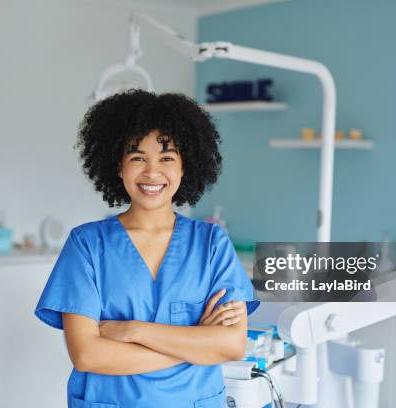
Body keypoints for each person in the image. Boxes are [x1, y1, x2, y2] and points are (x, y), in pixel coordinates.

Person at [34, 89, 260, 408]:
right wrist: (193, 346)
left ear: (186, 166)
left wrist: (131, 330)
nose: (152, 172)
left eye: (167, 158)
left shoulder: (211, 243)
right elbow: (87, 354)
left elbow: (232, 345)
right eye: (138, 157)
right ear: (118, 165)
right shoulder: (86, 245)